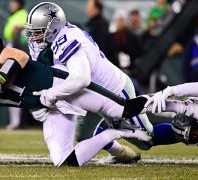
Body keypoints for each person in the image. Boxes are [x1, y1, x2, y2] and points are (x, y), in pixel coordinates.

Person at [0, 38, 151, 167]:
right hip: (47, 108)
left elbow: (20, 56)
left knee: (123, 110)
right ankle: (114, 140)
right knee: (65, 161)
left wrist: (1, 77)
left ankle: (171, 98)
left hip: (60, 84)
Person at [25, 2, 162, 163]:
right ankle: (120, 152)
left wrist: (50, 96)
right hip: (92, 94)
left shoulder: (66, 39)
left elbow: (81, 79)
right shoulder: (48, 42)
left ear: (53, 28)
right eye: (32, 31)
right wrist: (35, 104)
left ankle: (189, 133)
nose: (34, 36)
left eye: (38, 32)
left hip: (114, 91)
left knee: (147, 140)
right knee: (83, 136)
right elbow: (46, 77)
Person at [3, 0, 28, 130]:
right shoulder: (12, 16)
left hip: (17, 52)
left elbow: (22, 33)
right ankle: (15, 121)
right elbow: (8, 34)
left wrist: (18, 29)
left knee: (15, 86)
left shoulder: (23, 14)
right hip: (10, 49)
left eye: (14, 2)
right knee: (9, 86)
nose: (11, 4)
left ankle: (18, 122)